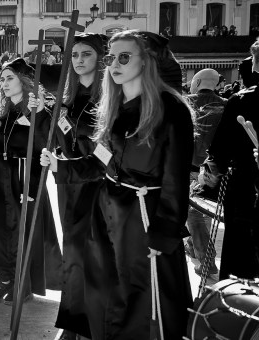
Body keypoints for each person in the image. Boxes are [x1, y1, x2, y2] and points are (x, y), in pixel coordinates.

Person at [40, 30, 194, 339]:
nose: (114, 65)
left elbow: (175, 183)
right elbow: (100, 162)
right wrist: (61, 167)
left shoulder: (172, 110)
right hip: (105, 217)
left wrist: (163, 237)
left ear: (147, 61)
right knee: (106, 297)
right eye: (111, 58)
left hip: (143, 221)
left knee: (143, 305)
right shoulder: (114, 109)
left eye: (124, 57)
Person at [0, 58, 62, 306]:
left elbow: (48, 144)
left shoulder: (37, 110)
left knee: (19, 233)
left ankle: (23, 282)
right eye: (2, 79)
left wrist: (40, 113)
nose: (4, 83)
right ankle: (5, 278)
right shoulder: (1, 114)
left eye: (9, 77)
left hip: (24, 178)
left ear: (24, 81)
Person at [46, 32, 109, 340]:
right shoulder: (65, 100)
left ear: (100, 59)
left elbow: (107, 152)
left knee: (93, 254)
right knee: (72, 251)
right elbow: (58, 137)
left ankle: (92, 322)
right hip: (67, 185)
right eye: (74, 55)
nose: (79, 60)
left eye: (86, 54)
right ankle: (72, 318)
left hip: (97, 186)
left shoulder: (111, 99)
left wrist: (70, 165)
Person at [204, 73, 259, 282]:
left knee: (239, 247)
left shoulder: (242, 99)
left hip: (244, 183)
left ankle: (237, 307)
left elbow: (221, 148)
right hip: (246, 180)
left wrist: (210, 174)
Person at [184, 69, 227, 281]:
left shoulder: (186, 102)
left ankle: (207, 260)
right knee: (204, 210)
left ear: (197, 81)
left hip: (189, 164)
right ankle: (194, 246)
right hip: (213, 167)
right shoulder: (227, 104)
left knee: (194, 214)